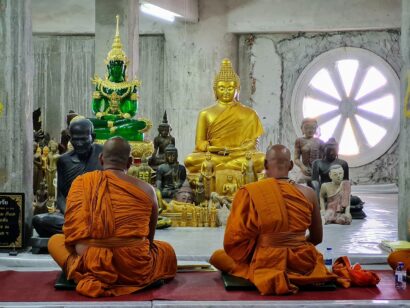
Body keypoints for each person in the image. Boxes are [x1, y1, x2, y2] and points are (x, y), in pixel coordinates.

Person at [48, 137, 177, 297]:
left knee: (55, 241)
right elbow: (149, 240)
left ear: (101, 159)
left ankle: (84, 275)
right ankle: (105, 274)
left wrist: (96, 247)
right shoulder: (147, 190)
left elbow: (70, 234)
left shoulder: (81, 183)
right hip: (132, 268)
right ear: (130, 162)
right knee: (166, 251)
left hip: (89, 262)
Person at [210, 144, 336, 295]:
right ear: (290, 165)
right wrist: (293, 244)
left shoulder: (250, 192)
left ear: (264, 164)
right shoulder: (309, 193)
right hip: (302, 263)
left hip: (266, 261)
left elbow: (234, 241)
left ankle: (268, 271)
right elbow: (317, 238)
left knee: (219, 256)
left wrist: (267, 245)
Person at [184, 58, 265, 173]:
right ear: (215, 90)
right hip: (215, 154)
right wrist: (214, 149)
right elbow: (199, 143)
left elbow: (253, 144)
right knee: (190, 160)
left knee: (262, 159)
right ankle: (230, 166)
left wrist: (237, 150)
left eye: (230, 88)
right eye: (222, 88)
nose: (226, 92)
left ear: (237, 90)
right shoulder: (205, 114)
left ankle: (221, 166)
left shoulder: (249, 114)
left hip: (239, 154)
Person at [32, 119, 103, 237]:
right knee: (39, 221)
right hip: (73, 214)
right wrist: (70, 214)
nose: (79, 143)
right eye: (75, 139)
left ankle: (81, 231)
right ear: (70, 139)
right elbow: (60, 196)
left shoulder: (103, 153)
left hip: (100, 212)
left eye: (83, 139)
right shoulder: (64, 161)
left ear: (93, 137)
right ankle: (88, 231)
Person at [294, 118, 323, 187]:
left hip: (317, 172)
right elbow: (296, 159)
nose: (310, 130)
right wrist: (302, 167)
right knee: (299, 186)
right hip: (305, 171)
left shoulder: (320, 142)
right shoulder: (299, 141)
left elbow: (323, 159)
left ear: (316, 129)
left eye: (313, 128)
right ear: (302, 129)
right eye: (306, 128)